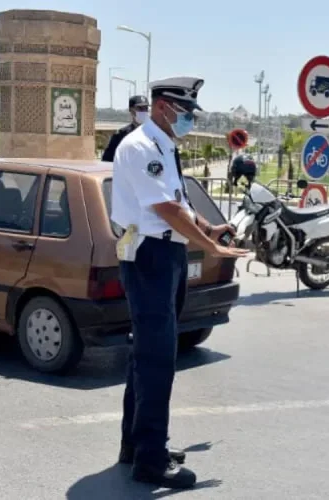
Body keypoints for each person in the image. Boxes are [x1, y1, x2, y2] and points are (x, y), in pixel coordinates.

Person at [111, 76, 249, 489]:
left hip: (165, 254)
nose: (188, 119)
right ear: (161, 107)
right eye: (185, 112)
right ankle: (151, 461)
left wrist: (211, 227)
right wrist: (211, 247)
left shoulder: (163, 146)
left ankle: (137, 446)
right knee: (156, 358)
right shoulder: (139, 146)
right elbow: (166, 209)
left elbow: (182, 204)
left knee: (148, 354)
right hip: (149, 255)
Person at [101, 95, 150, 162]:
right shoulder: (120, 135)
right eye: (140, 108)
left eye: (146, 108)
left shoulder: (154, 134)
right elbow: (107, 159)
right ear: (131, 110)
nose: (144, 111)